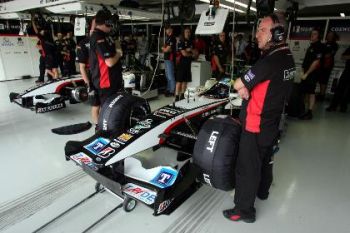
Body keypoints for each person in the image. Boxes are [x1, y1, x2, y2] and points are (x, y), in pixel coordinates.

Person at [223, 12, 295, 223]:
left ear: (278, 33)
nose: (257, 35)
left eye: (262, 30)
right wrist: (248, 90)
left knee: (247, 168)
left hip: (255, 124)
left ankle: (243, 211)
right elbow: (269, 87)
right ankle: (262, 192)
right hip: (271, 123)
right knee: (265, 160)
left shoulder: (270, 62)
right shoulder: (287, 57)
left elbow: (238, 84)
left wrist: (244, 88)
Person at [89, 9, 123, 129]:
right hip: (106, 81)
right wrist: (118, 54)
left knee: (109, 107)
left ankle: (104, 128)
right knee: (107, 109)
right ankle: (102, 131)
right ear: (106, 22)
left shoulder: (104, 35)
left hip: (110, 80)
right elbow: (109, 62)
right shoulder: (98, 37)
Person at [77, 18, 100, 127]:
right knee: (96, 104)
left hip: (103, 76)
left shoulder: (102, 39)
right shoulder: (83, 43)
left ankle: (103, 124)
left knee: (106, 104)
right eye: (94, 25)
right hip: (92, 77)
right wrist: (88, 84)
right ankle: (97, 126)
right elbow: (82, 67)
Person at [299, 28, 324, 120]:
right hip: (305, 72)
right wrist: (302, 71)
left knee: (311, 92)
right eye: (311, 34)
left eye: (315, 34)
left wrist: (307, 73)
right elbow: (306, 61)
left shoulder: (319, 46)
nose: (312, 36)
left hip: (312, 74)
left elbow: (316, 62)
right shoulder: (311, 46)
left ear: (318, 36)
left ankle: (309, 112)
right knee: (304, 91)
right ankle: (303, 110)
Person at [31, 14, 58, 82]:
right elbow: (51, 33)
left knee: (48, 70)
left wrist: (33, 21)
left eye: (42, 31)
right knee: (54, 69)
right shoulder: (50, 39)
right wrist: (51, 26)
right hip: (54, 56)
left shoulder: (42, 39)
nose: (41, 31)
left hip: (49, 57)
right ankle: (56, 79)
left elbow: (36, 30)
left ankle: (55, 78)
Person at [326, 46, 350, 113]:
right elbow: (343, 57)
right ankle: (333, 106)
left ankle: (343, 107)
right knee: (340, 88)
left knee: (348, 92)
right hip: (347, 71)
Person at [175, 27, 196, 101]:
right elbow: (184, 54)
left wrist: (190, 50)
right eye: (186, 32)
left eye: (189, 32)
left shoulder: (191, 42)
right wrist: (190, 53)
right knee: (179, 81)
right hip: (181, 64)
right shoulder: (181, 41)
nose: (188, 33)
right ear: (184, 33)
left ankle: (182, 95)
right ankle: (177, 96)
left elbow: (195, 52)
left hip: (188, 64)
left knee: (185, 81)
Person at [318, 31, 339, 101]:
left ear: (333, 36)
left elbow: (328, 55)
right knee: (321, 80)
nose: (329, 36)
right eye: (328, 35)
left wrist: (323, 55)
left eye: (331, 35)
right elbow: (320, 54)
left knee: (324, 80)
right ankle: (321, 94)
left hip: (327, 65)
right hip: (321, 65)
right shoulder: (325, 44)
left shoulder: (334, 45)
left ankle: (322, 95)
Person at [162, 24, 176, 97]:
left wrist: (164, 49)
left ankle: (172, 90)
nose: (167, 30)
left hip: (170, 59)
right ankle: (168, 88)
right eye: (166, 29)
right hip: (166, 59)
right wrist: (165, 49)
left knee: (170, 76)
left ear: (171, 29)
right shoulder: (168, 38)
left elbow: (167, 49)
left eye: (168, 29)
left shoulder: (172, 38)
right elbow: (165, 48)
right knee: (167, 76)